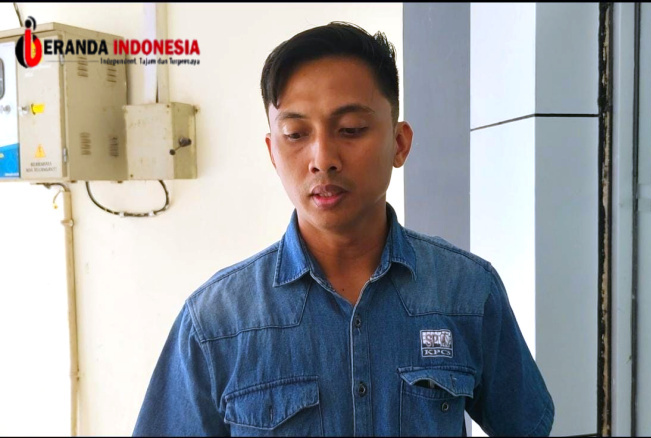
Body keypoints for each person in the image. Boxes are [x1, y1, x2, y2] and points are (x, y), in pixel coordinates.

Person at [132, 21, 554, 437]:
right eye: (296, 134)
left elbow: (527, 425)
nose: (322, 159)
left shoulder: (467, 291)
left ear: (399, 143)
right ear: (273, 153)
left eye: (351, 129)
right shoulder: (217, 322)